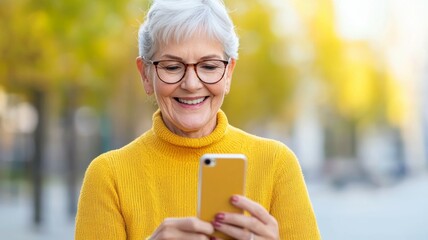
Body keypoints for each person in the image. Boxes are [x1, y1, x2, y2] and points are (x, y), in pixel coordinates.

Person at [75, 0, 321, 239]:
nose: (191, 84)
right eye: (172, 67)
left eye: (209, 66)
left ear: (228, 74)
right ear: (146, 75)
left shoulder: (277, 165)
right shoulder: (109, 176)